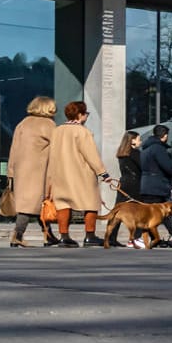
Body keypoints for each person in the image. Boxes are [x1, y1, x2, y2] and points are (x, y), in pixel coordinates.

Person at [45, 101, 112, 248]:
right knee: (91, 202)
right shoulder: (82, 131)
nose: (86, 116)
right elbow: (91, 154)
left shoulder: (57, 131)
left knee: (63, 204)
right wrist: (103, 172)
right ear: (80, 114)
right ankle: (90, 235)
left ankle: (64, 236)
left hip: (60, 173)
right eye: (86, 113)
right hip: (81, 173)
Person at [7, 97, 57, 247]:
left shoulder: (23, 123)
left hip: (21, 170)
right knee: (34, 205)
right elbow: (57, 149)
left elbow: (13, 148)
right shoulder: (49, 125)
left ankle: (49, 235)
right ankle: (18, 234)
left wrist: (10, 172)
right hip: (39, 171)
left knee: (32, 203)